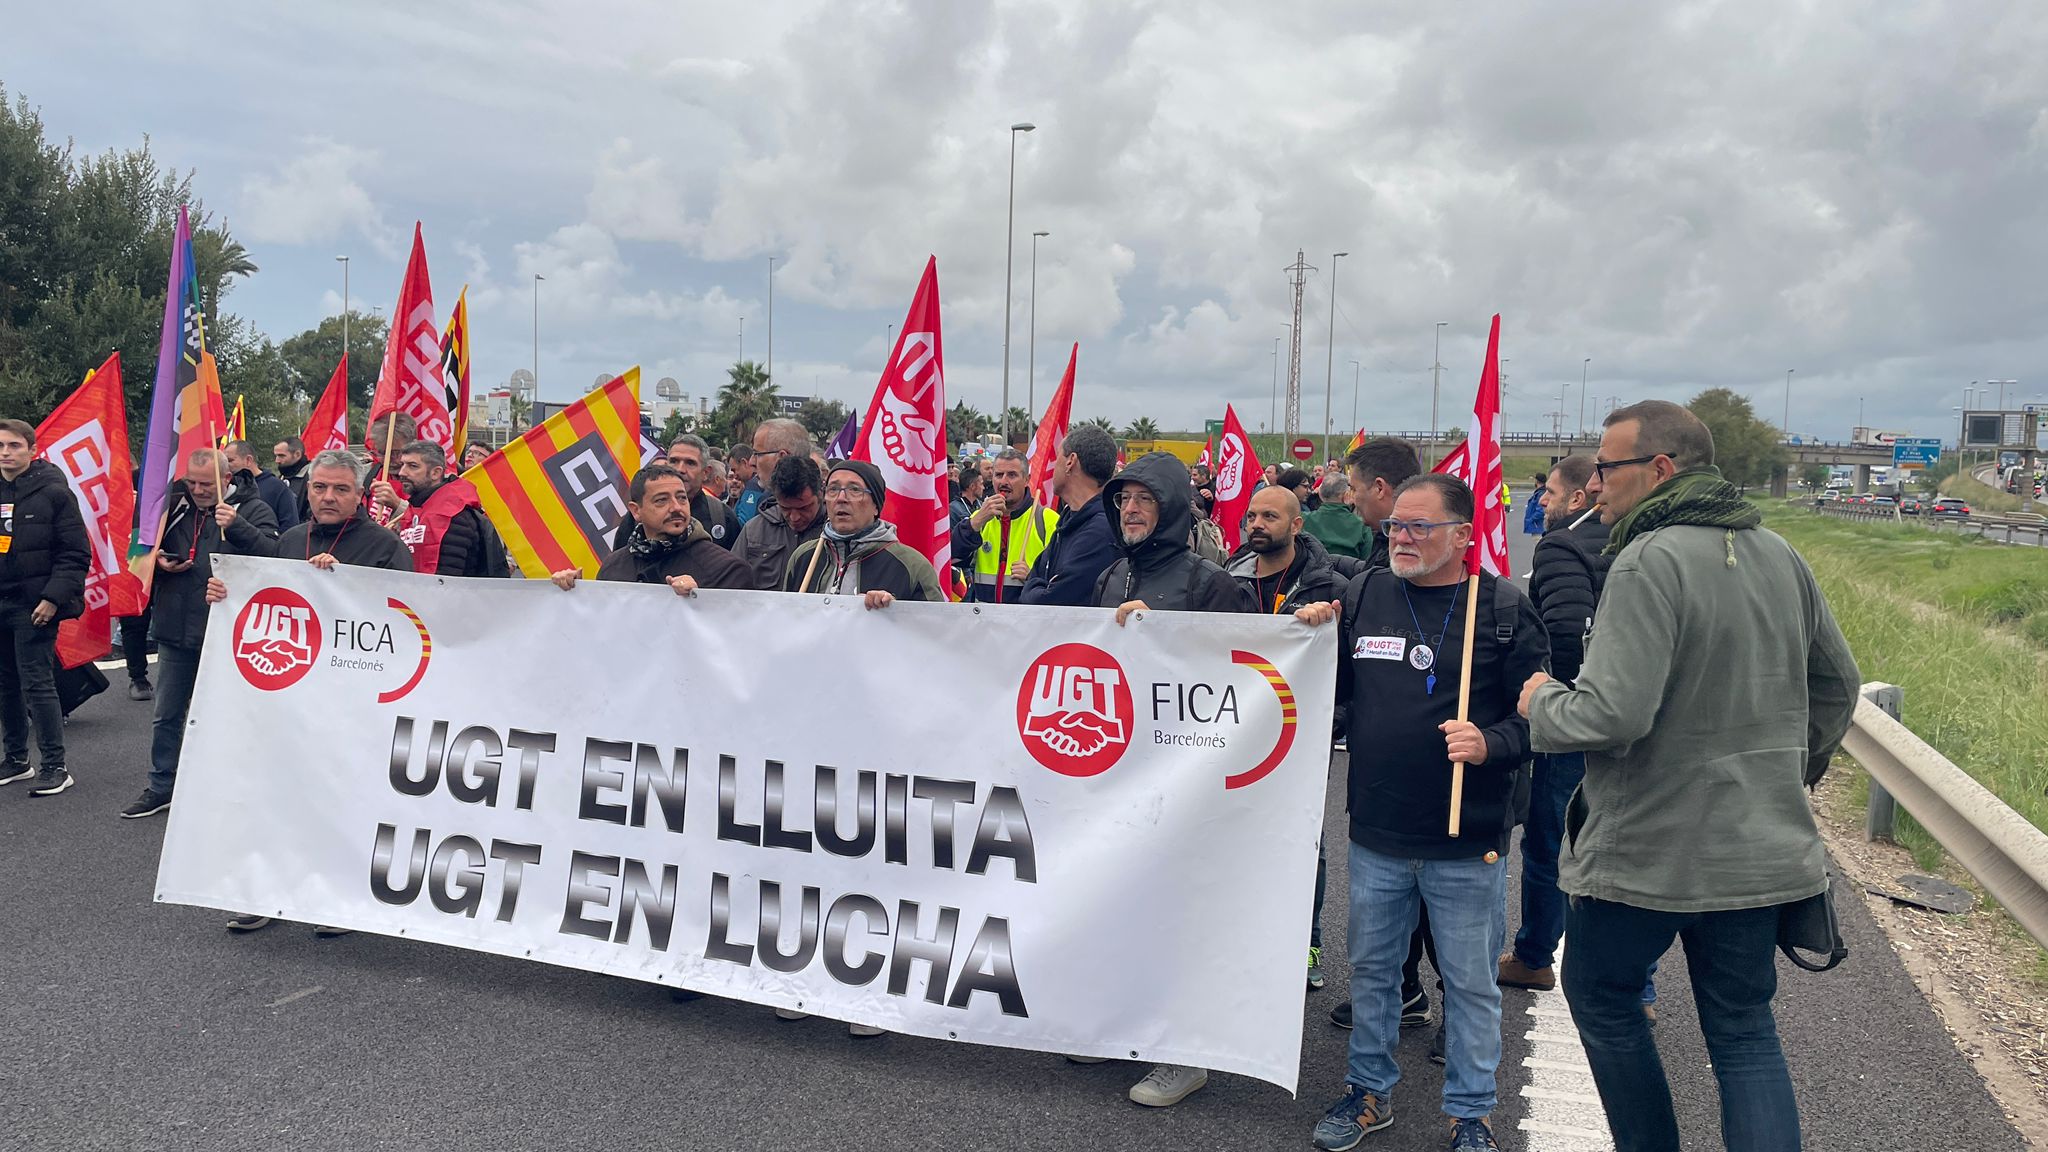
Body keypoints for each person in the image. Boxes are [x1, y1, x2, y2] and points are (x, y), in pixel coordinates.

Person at [1519, 400, 1859, 1152]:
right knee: (1743, 1032)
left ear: (1661, 469)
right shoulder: (1780, 552)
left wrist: (1542, 702)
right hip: (1759, 849)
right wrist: (1788, 771)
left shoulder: (1647, 558)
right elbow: (1838, 684)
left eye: (1608, 468)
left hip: (1648, 849)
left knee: (1602, 999)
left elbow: (1612, 715)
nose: (1595, 485)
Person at [1296, 473, 1547, 1152]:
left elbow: (1544, 722)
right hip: (1378, 831)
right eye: (1394, 527)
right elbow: (1333, 698)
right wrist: (1313, 638)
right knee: (1373, 973)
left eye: (1418, 528)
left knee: (1469, 986)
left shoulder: (1503, 610)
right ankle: (1368, 1093)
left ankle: (1471, 1115)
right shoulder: (1366, 593)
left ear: (1463, 535)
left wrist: (1490, 741)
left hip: (1467, 840)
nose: (1401, 539)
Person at [1083, 451, 1255, 1109]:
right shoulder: (1112, 574)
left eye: (1144, 500)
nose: (1129, 509)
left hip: (1186, 780)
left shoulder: (1211, 583)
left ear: (1173, 508)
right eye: (1123, 500)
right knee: (1126, 906)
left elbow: (1239, 679)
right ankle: (1131, 1027)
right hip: (1119, 772)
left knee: (1181, 917)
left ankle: (1184, 1052)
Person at [217, 449, 413, 932]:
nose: (328, 496)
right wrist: (226, 597)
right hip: (291, 697)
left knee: (342, 801)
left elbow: (412, 614)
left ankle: (340, 897)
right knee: (278, 795)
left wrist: (344, 585)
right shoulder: (290, 539)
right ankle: (266, 893)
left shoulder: (385, 546)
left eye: (341, 489)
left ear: (359, 494)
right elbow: (267, 600)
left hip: (354, 700)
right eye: (320, 487)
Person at [1500, 456, 1630, 999]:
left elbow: (1562, 632)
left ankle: (1534, 956)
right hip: (1635, 712)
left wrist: (1552, 702)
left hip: (1575, 717)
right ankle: (1636, 985)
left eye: (1550, 494)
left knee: (1551, 841)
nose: (1543, 503)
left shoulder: (1561, 546)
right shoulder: (1643, 541)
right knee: (1620, 844)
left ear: (1579, 497)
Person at [1328, 437, 1435, 1037]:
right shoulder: (1372, 575)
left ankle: (1440, 1003)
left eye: (1354, 484)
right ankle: (1404, 989)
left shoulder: (1471, 595)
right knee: (1388, 901)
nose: (1346, 496)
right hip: (1378, 778)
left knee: (1442, 904)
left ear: (1380, 489)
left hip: (1444, 777)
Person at [1227, 486, 1348, 991]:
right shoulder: (1224, 578)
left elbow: (1344, 665)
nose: (1258, 523)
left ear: (1297, 525)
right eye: (1252, 515)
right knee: (1231, 837)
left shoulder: (1328, 584)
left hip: (1297, 734)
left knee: (1301, 841)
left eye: (1270, 516)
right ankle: (1237, 938)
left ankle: (1308, 941)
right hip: (1229, 730)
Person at [119, 448, 280, 819]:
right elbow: (137, 552)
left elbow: (277, 557)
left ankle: (233, 789)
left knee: (231, 716)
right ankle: (161, 786)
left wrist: (237, 525)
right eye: (191, 481)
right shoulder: (174, 506)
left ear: (227, 479)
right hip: (175, 628)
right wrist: (157, 564)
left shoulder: (253, 509)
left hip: (231, 635)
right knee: (167, 715)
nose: (197, 489)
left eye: (206, 483)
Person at [0, 418, 90, 799]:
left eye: (14, 446)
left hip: (34, 604)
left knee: (37, 683)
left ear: (32, 450)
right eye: (1, 446)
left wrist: (52, 598)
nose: (6, 452)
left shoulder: (54, 492)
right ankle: (17, 760)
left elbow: (75, 554)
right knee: (6, 686)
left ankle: (55, 766)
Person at [551, 464, 754, 592]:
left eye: (682, 498)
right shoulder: (614, 567)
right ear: (636, 510)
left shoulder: (727, 569)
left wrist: (701, 602)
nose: (676, 507)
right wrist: (574, 594)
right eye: (661, 501)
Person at [783, 460, 943, 602]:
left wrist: (894, 613)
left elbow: (933, 629)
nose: (841, 498)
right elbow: (785, 620)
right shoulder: (804, 557)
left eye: (855, 490)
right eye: (833, 489)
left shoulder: (912, 566)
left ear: (876, 506)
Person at [1017, 426, 1118, 606]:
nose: (1054, 467)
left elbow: (1051, 601)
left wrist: (1037, 586)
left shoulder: (1101, 531)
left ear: (1071, 461)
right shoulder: (1068, 521)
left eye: (1057, 458)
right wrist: (1039, 584)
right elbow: (1036, 577)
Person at [372, 441, 496, 577]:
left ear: (436, 473)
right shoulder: (419, 506)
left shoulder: (455, 515)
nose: (402, 473)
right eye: (402, 465)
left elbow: (447, 580)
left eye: (412, 466)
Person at [952, 448, 1057, 604]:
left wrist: (1032, 578)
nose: (1004, 482)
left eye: (1012, 475)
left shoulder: (1047, 520)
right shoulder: (980, 518)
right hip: (985, 622)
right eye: (999, 475)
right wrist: (975, 523)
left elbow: (1061, 582)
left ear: (1027, 479)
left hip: (1026, 622)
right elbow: (953, 557)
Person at [732, 455, 824, 592]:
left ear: (821, 493)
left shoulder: (836, 531)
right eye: (785, 508)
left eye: (804, 508)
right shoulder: (754, 531)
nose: (794, 517)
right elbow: (731, 583)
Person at [1343, 438, 1423, 570]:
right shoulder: (1392, 541)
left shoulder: (1404, 558)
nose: (1351, 499)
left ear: (1379, 488)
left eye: (1354, 489)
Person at [661, 435, 742, 549]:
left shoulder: (723, 517)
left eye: (690, 463)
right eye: (674, 461)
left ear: (706, 473)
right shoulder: (645, 513)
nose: (680, 469)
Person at [739, 418, 812, 527]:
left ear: (782, 457)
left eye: (757, 454)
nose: (751, 462)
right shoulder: (765, 502)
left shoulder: (829, 515)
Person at [223, 439, 300, 532]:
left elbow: (290, 527)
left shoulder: (277, 488)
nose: (226, 466)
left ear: (248, 460)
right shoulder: (226, 487)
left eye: (230, 460)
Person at [1304, 474, 1370, 560]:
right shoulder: (1362, 525)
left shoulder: (1303, 520)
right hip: (1350, 572)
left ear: (1320, 494)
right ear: (1347, 495)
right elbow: (1367, 561)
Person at [273, 436, 311, 522]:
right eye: (276, 456)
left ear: (297, 454)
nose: (277, 460)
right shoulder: (281, 478)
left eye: (281, 456)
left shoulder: (313, 478)